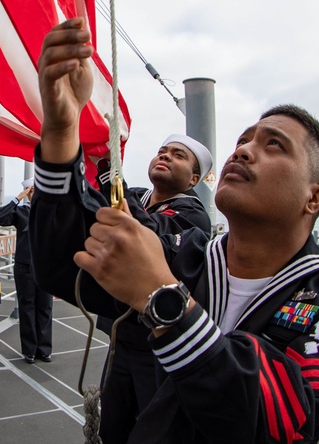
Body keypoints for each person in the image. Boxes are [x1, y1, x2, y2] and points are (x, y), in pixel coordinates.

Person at [30, 17, 319, 443]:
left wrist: (165, 298)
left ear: (314, 198)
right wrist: (61, 131)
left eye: (273, 144)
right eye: (244, 140)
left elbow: (276, 424)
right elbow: (61, 266)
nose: (244, 150)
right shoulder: (191, 255)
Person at [95, 135, 212, 443]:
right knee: (112, 424)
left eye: (178, 156)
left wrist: (112, 180)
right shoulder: (133, 195)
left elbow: (150, 237)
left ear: (193, 179)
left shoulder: (193, 215)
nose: (166, 156)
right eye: (162, 151)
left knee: (153, 428)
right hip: (121, 339)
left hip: (157, 345)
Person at [0, 178, 53, 363]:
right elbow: (0, 218)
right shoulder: (20, 212)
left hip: (45, 267)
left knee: (45, 308)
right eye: (33, 191)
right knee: (27, 307)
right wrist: (18, 198)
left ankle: (44, 350)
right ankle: (29, 350)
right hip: (25, 266)